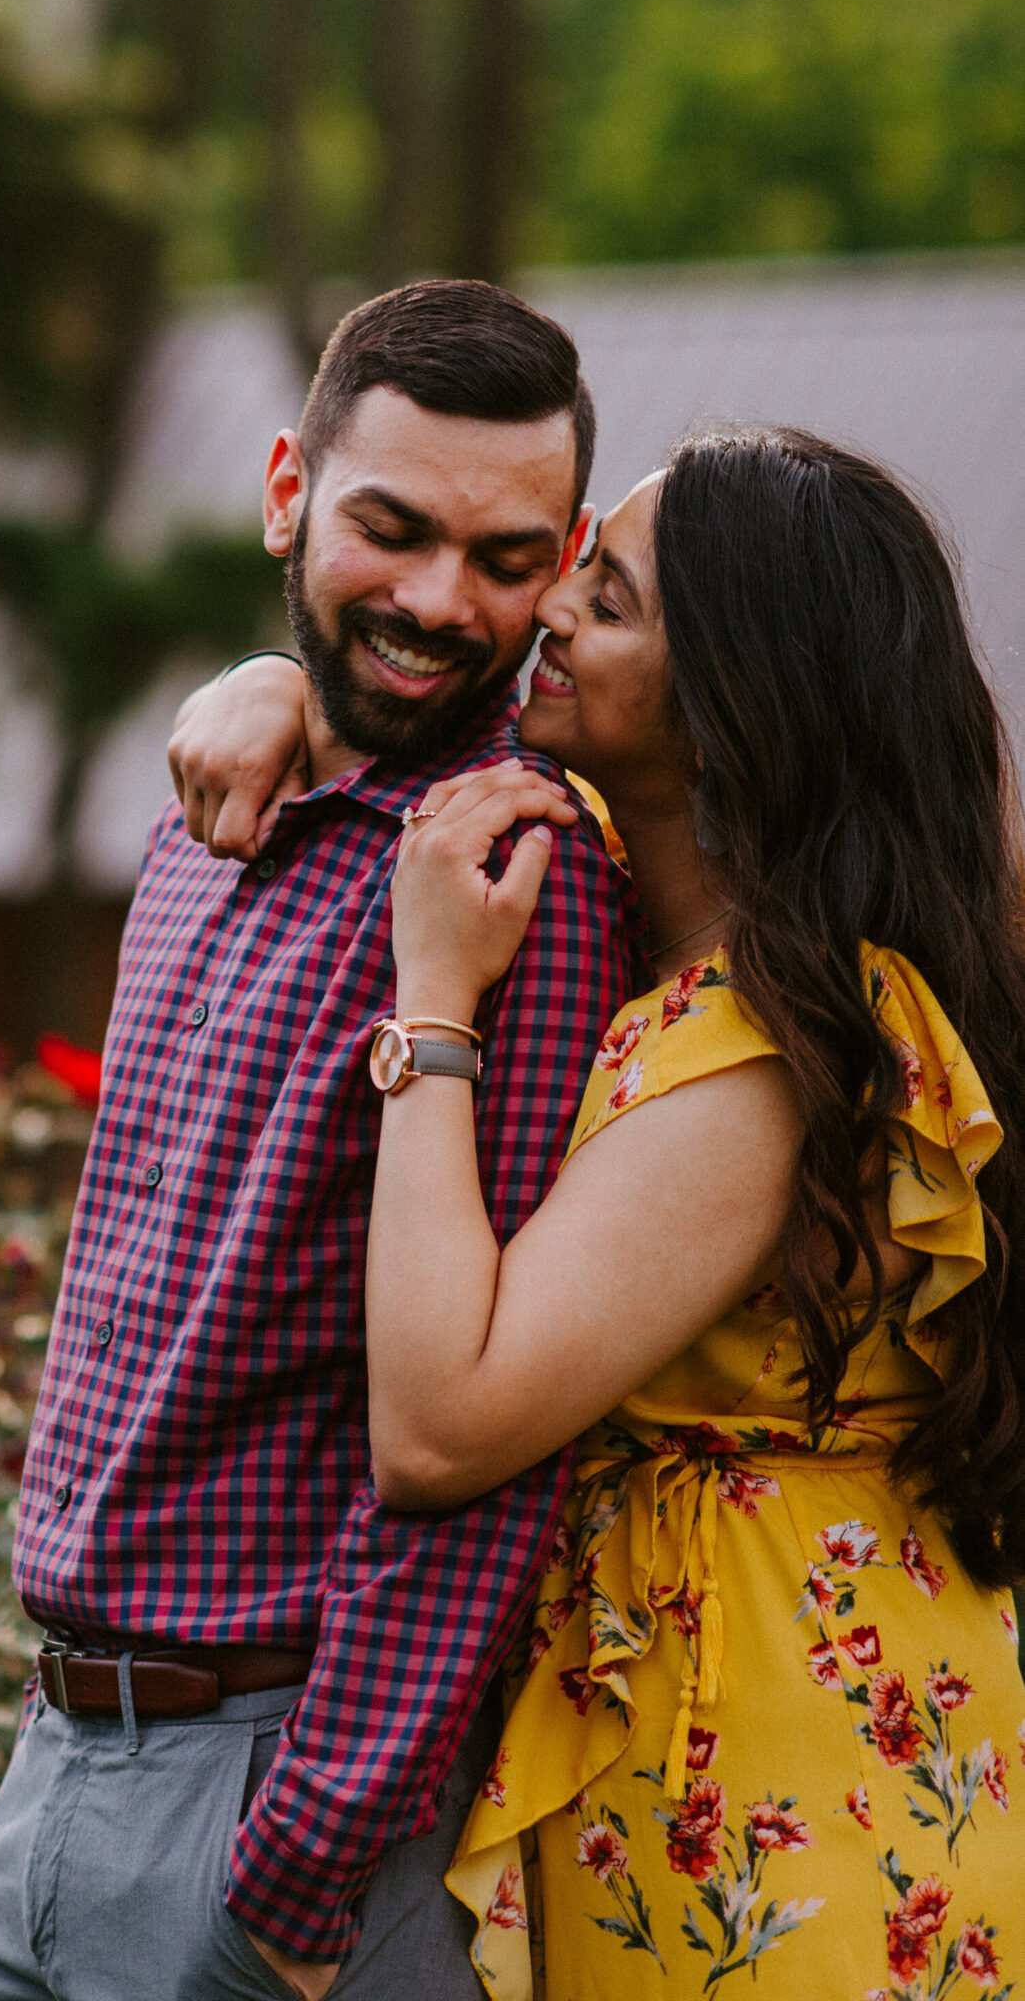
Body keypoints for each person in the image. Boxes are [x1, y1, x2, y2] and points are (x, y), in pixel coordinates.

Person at [194, 426, 1025, 1996]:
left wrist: (429, 1000)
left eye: (612, 597)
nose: (551, 612)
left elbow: (440, 1427)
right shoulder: (681, 973)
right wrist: (262, 680)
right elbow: (398, 681)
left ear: (732, 705)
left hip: (775, 1788)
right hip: (723, 1719)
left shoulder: (762, 1049)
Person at [0, 279, 648, 2001]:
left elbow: (483, 1432)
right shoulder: (209, 813)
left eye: (504, 560)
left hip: (269, 1803)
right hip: (59, 1756)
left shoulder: (511, 879)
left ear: (561, 564)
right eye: (389, 530)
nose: (436, 602)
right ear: (287, 492)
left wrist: (303, 1865)